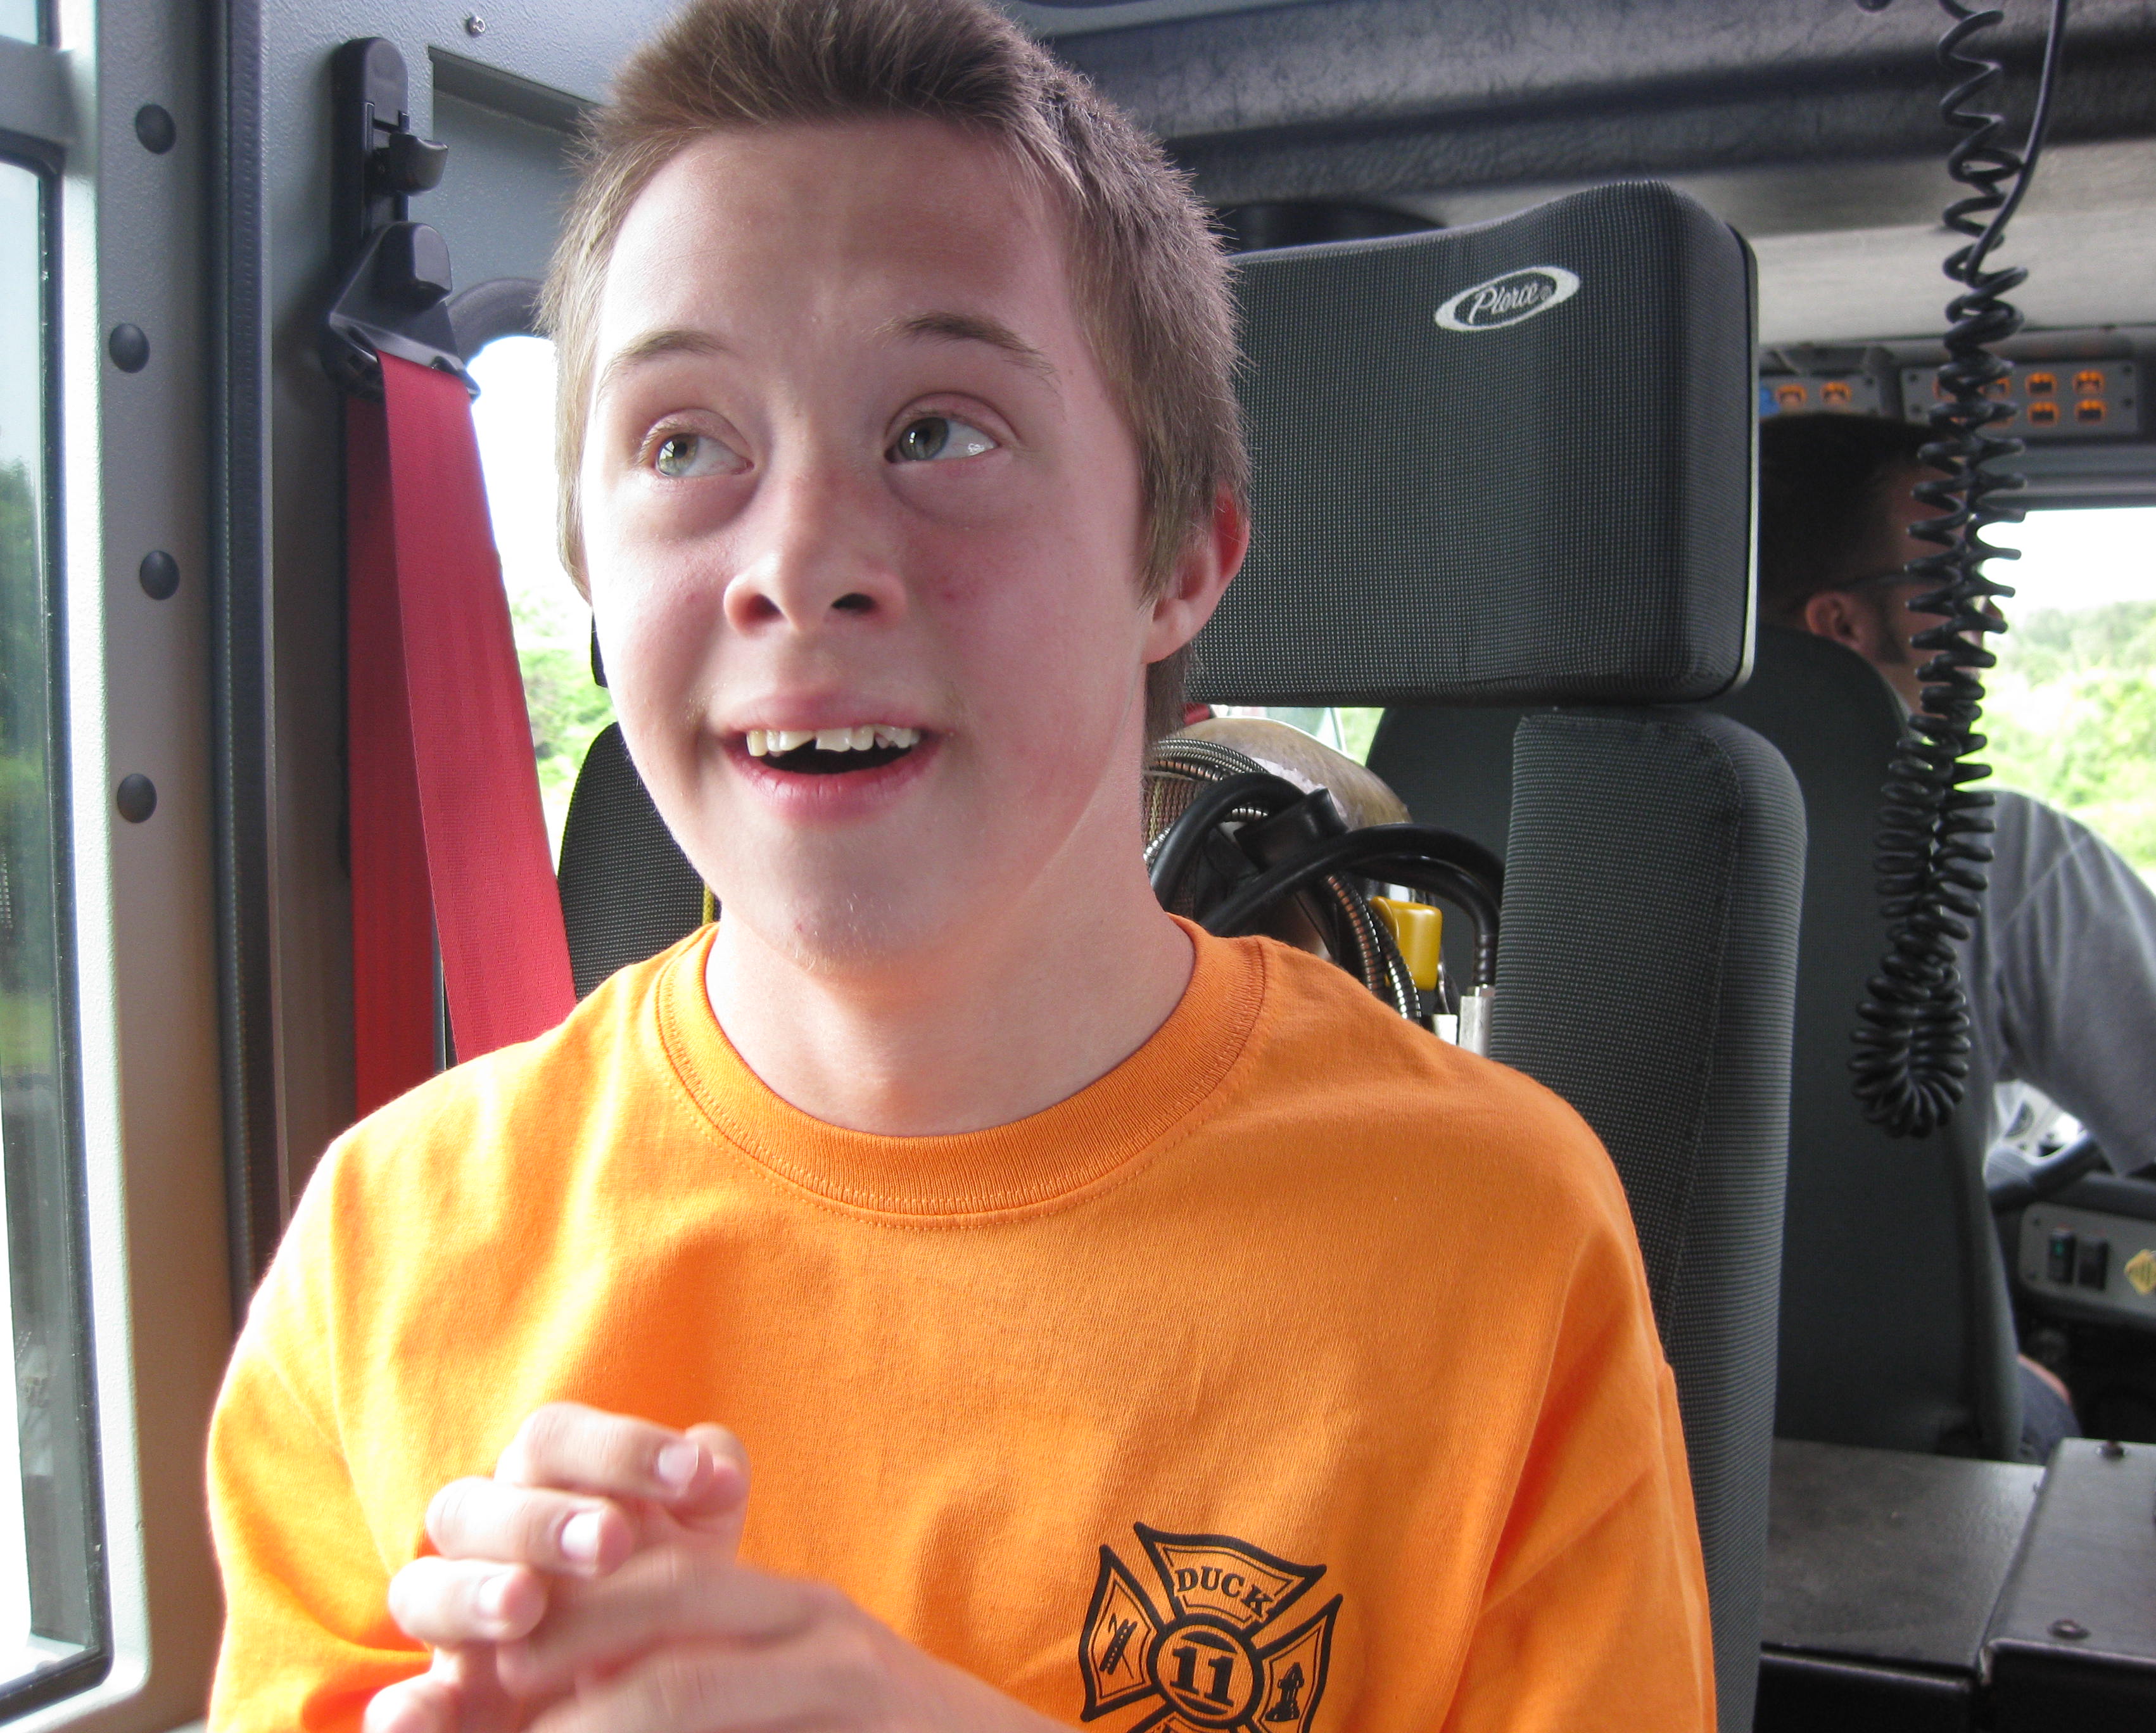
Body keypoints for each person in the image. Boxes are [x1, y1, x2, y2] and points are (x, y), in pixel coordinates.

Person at [205, 4, 1716, 1730]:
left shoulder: (1492, 1234)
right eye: (685, 444)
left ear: (1178, 559)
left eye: (939, 432)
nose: (800, 562)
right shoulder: (390, 1244)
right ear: (587, 567)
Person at [1758, 412, 2156, 1447]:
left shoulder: (1493, 827)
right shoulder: (1998, 857)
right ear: (1843, 625)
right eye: (1959, 587)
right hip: (1899, 1466)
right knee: (2055, 1399)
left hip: (1573, 1435)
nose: (1990, 618)